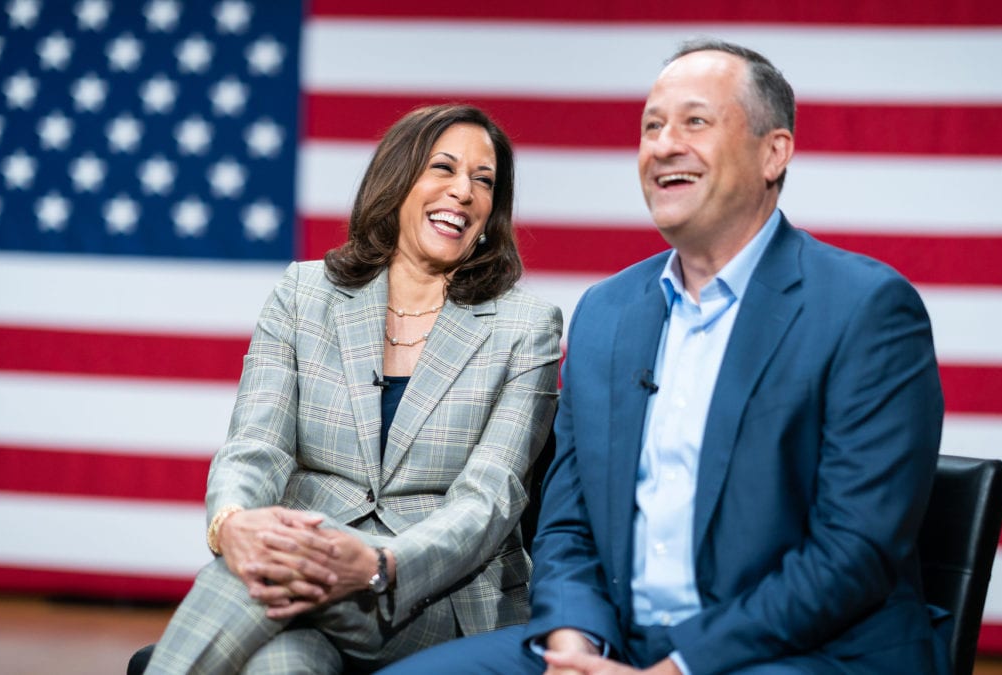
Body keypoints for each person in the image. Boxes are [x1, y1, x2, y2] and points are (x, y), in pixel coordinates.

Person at [379, 38, 947, 675]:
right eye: (652, 126)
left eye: (695, 122)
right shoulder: (606, 313)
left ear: (774, 152)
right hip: (613, 645)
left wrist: (680, 668)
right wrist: (572, 647)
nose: (663, 145)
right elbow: (567, 525)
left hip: (805, 652)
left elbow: (854, 554)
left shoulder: (866, 309)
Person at [144, 104, 563, 674]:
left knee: (263, 574)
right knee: (285, 664)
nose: (463, 192)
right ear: (397, 182)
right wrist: (234, 523)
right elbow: (255, 446)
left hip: (434, 595)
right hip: (311, 558)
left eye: (483, 181)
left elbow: (488, 501)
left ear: (491, 212)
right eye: (443, 168)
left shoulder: (526, 327)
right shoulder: (303, 293)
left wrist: (375, 562)